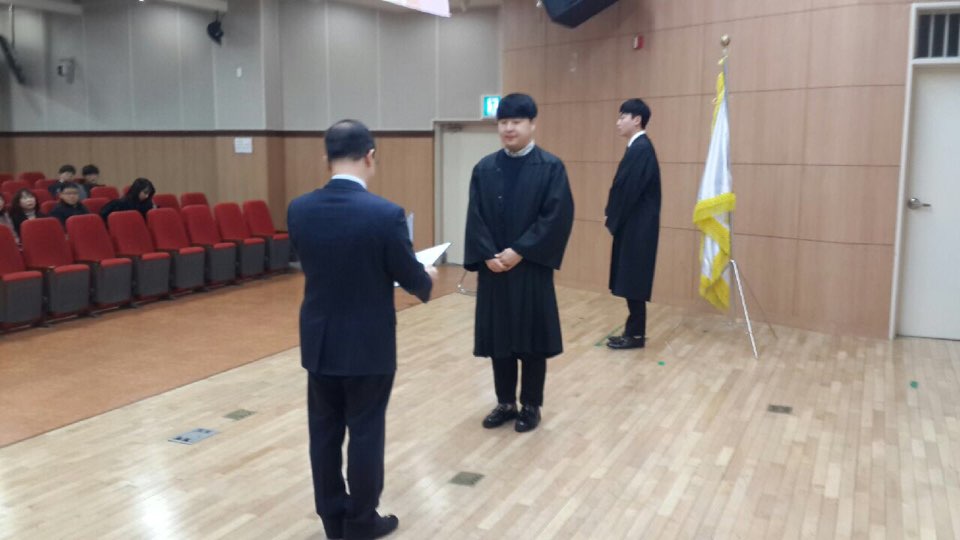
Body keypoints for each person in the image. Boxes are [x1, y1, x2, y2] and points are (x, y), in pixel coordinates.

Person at [287, 119, 436, 540]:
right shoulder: (385, 214)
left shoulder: (299, 209)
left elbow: (316, 260)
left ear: (326, 158)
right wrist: (426, 276)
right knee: (366, 433)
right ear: (370, 156)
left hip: (320, 340)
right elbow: (411, 277)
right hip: (369, 344)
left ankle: (332, 519)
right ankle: (362, 521)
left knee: (324, 433)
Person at [463, 93, 574, 434]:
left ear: (532, 124)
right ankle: (505, 402)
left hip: (530, 268)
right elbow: (475, 217)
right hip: (495, 269)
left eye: (516, 122)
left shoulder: (550, 167)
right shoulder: (485, 168)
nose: (509, 128)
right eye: (503, 122)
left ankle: (531, 404)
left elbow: (556, 217)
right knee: (500, 340)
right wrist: (487, 254)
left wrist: (520, 250)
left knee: (531, 340)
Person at [605, 99, 661, 350]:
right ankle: (632, 331)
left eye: (622, 117)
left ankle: (636, 335)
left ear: (637, 120)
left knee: (634, 278)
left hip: (638, 227)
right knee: (630, 277)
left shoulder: (641, 149)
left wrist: (612, 216)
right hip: (634, 225)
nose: (618, 122)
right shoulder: (637, 148)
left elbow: (628, 190)